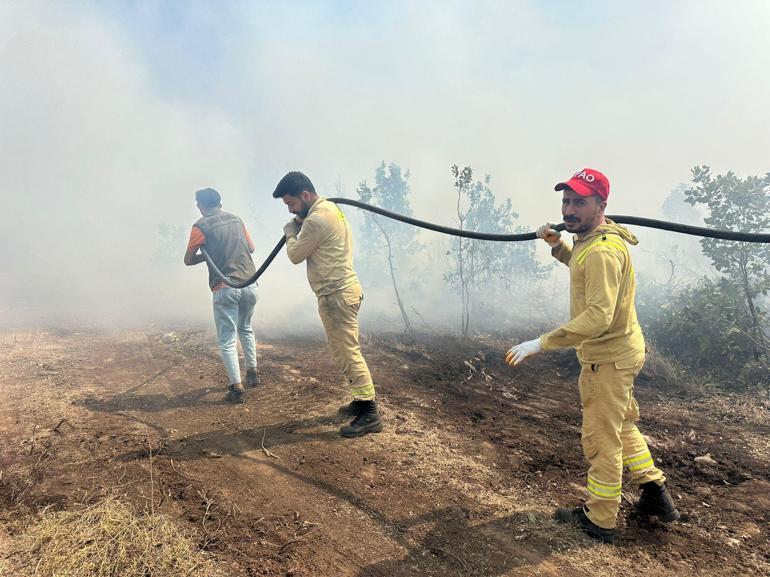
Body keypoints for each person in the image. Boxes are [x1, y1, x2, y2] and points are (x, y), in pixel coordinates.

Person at [506, 168, 680, 543]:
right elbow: (582, 268)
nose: (569, 209)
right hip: (622, 350)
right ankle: (655, 494)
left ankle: (599, 519)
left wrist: (543, 342)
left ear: (601, 205)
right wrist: (558, 244)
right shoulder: (592, 240)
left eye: (579, 202)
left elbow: (598, 316)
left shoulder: (601, 250)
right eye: (566, 201)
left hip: (608, 358)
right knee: (622, 425)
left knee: (602, 437)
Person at [272, 171, 382, 438]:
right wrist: (300, 218)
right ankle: (360, 400)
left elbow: (296, 255)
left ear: (305, 195)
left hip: (336, 295)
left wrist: (290, 232)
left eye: (292, 203)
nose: (289, 209)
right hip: (344, 291)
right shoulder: (330, 208)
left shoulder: (317, 220)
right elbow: (309, 224)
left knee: (347, 353)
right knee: (345, 350)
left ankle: (369, 413)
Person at [184, 187, 259, 403]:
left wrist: (206, 257)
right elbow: (251, 249)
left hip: (225, 287)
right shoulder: (237, 220)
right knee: (246, 328)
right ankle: (252, 373)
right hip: (250, 284)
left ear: (200, 206)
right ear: (220, 203)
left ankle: (236, 389)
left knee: (227, 340)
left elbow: (188, 260)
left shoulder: (200, 226)